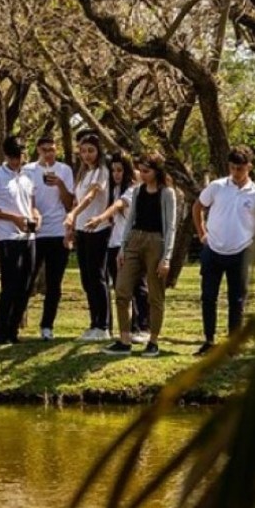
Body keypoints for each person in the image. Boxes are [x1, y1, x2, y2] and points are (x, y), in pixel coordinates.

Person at [192, 145, 255, 356]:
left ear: (249, 167)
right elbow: (197, 207)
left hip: (240, 252)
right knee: (208, 297)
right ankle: (209, 340)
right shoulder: (217, 186)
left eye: (240, 168)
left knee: (237, 300)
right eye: (232, 167)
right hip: (213, 249)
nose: (235, 172)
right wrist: (202, 233)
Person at [102, 152, 179, 357]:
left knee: (155, 294)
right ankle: (124, 340)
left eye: (146, 171)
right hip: (135, 239)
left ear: (157, 171)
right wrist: (122, 248)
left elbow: (171, 226)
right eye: (141, 171)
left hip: (156, 242)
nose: (142, 175)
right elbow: (130, 220)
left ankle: (153, 341)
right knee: (122, 290)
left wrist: (167, 257)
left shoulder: (167, 193)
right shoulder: (137, 191)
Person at [85, 151, 150, 343]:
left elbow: (118, 206)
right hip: (115, 244)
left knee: (138, 286)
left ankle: (144, 327)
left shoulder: (133, 189)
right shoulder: (114, 189)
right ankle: (129, 328)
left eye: (120, 170)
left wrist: (100, 218)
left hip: (132, 243)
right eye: (113, 170)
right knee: (121, 289)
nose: (116, 174)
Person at [0, 136, 40, 345]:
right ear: (6, 156)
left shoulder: (29, 176)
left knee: (26, 285)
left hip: (28, 236)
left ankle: (13, 329)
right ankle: (0, 331)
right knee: (10, 284)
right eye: (13, 157)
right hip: (7, 236)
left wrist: (36, 216)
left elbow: (31, 203)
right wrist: (13, 218)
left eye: (20, 156)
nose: (17, 161)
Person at [23, 136, 74, 340]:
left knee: (54, 283)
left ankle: (47, 326)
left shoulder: (64, 170)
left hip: (57, 231)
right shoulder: (28, 170)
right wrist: (33, 213)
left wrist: (60, 184)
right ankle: (17, 319)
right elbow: (24, 200)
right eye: (44, 150)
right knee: (27, 279)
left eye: (51, 149)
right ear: (38, 150)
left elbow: (70, 204)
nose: (48, 154)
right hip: (34, 232)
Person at [64, 135, 112, 341]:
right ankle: (94, 323)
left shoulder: (102, 172)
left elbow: (91, 196)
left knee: (97, 276)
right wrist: (71, 226)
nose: (86, 155)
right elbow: (77, 200)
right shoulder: (83, 173)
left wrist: (73, 213)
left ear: (98, 151)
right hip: (82, 231)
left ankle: (104, 325)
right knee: (86, 279)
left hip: (98, 229)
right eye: (83, 151)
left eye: (90, 150)